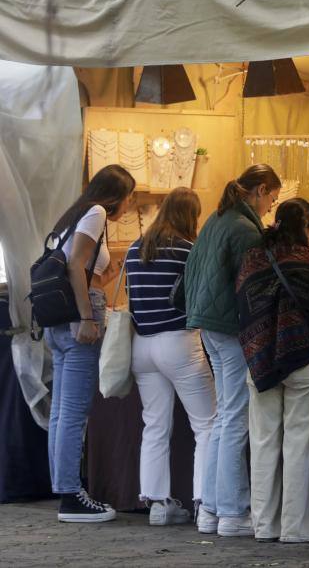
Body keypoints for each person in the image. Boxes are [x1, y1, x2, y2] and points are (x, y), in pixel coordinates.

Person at [184, 164, 281, 537]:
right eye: (271, 198)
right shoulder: (244, 229)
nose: (272, 206)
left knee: (225, 417)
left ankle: (210, 509)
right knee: (236, 418)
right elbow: (255, 285)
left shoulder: (218, 219)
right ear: (259, 190)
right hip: (230, 328)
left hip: (208, 324)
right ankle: (231, 511)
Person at [237, 198, 309, 543]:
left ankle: (263, 526)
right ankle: (296, 528)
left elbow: (243, 304)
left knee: (263, 442)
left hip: (260, 359)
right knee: (299, 443)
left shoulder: (252, 260)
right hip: (303, 360)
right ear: (306, 228)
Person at [45, 164, 135, 523]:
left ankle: (64, 486)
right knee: (73, 411)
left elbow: (77, 263)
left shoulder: (74, 213)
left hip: (56, 319)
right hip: (78, 317)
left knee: (61, 411)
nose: (129, 205)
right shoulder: (96, 213)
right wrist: (86, 317)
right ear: (117, 195)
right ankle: (70, 494)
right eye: (129, 197)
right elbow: (75, 265)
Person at [126, 188, 216, 526]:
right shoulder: (188, 250)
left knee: (155, 425)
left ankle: (158, 505)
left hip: (142, 345)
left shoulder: (137, 248)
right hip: (178, 342)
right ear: (189, 216)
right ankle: (206, 504)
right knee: (206, 425)